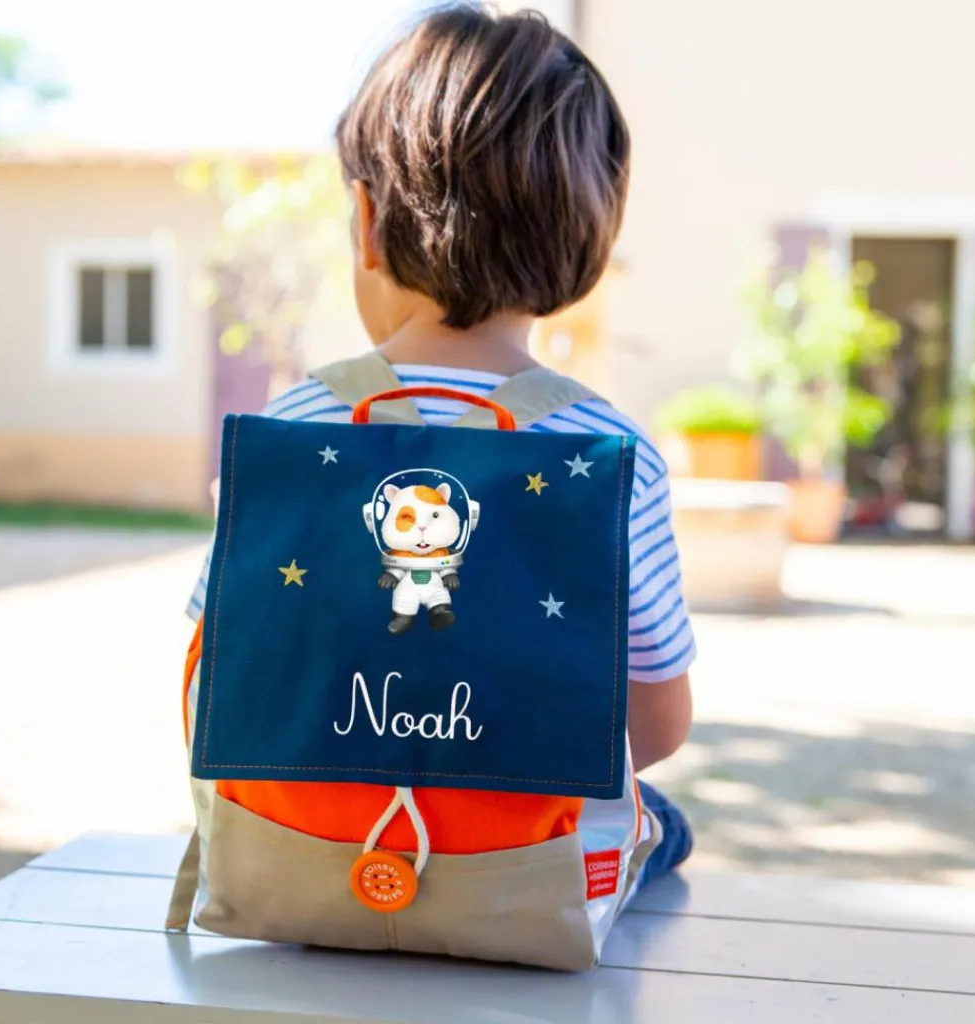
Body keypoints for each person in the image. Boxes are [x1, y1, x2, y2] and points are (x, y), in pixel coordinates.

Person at [187, 3, 694, 886]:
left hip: (297, 864)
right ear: (585, 244)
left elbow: (211, 700)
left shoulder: (290, 430)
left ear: (369, 220)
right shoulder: (610, 453)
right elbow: (652, 729)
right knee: (666, 827)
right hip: (520, 880)